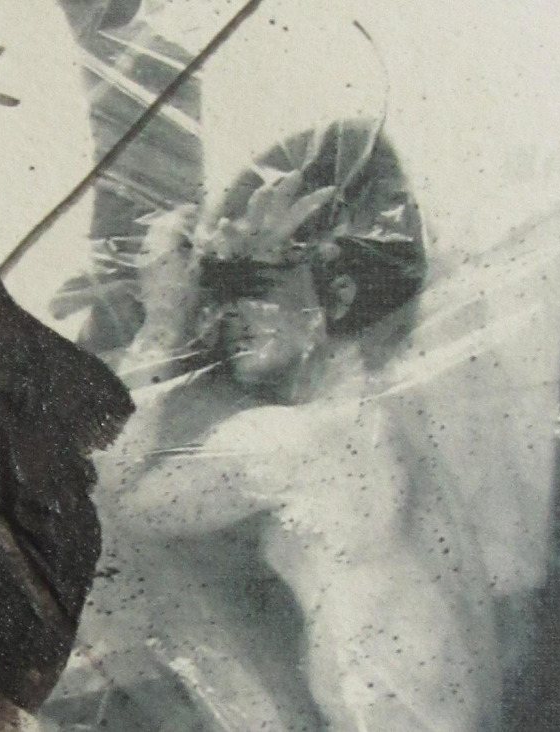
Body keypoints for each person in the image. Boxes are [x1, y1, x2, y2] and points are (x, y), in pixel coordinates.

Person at [39, 119, 500, 731]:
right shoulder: (375, 421)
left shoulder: (294, 443)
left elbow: (99, 497)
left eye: (253, 285)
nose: (230, 313)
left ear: (337, 296)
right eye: (220, 291)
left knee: (116, 566)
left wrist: (166, 319)